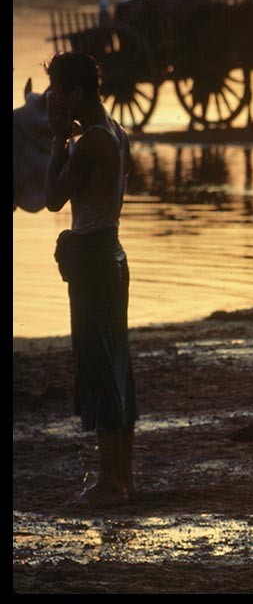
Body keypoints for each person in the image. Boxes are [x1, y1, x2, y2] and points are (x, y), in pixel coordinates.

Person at [44, 51, 138, 506]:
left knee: (98, 360)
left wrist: (58, 138)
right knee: (114, 357)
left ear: (77, 93)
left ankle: (110, 482)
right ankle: (122, 476)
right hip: (112, 252)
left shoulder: (88, 143)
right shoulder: (116, 133)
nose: (53, 98)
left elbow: (50, 198)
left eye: (58, 91)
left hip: (94, 256)